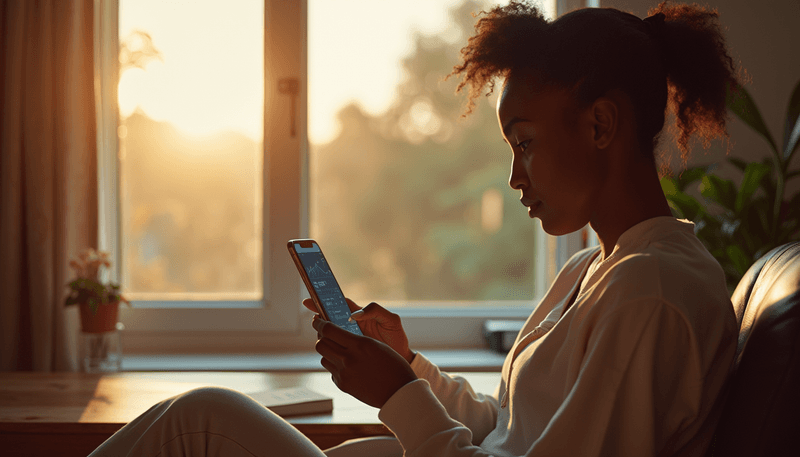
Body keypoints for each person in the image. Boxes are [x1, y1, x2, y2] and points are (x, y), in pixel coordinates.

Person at [88, 1, 739, 456]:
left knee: (204, 420)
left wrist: (399, 394)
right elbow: (502, 427)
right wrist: (409, 366)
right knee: (206, 419)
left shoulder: (650, 293)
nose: (516, 176)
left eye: (527, 142)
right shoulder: (593, 270)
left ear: (600, 126)